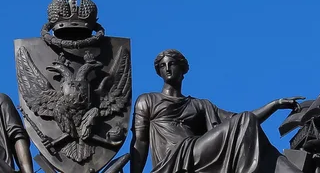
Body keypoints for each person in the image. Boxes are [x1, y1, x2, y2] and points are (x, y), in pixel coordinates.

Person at [130, 49, 305, 173]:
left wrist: (275, 104)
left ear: (183, 69)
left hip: (197, 151)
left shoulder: (200, 104)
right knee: (245, 121)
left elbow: (244, 122)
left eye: (172, 63)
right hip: (173, 159)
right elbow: (140, 142)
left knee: (255, 135)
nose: (167, 68)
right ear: (158, 71)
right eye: (162, 65)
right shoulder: (147, 100)